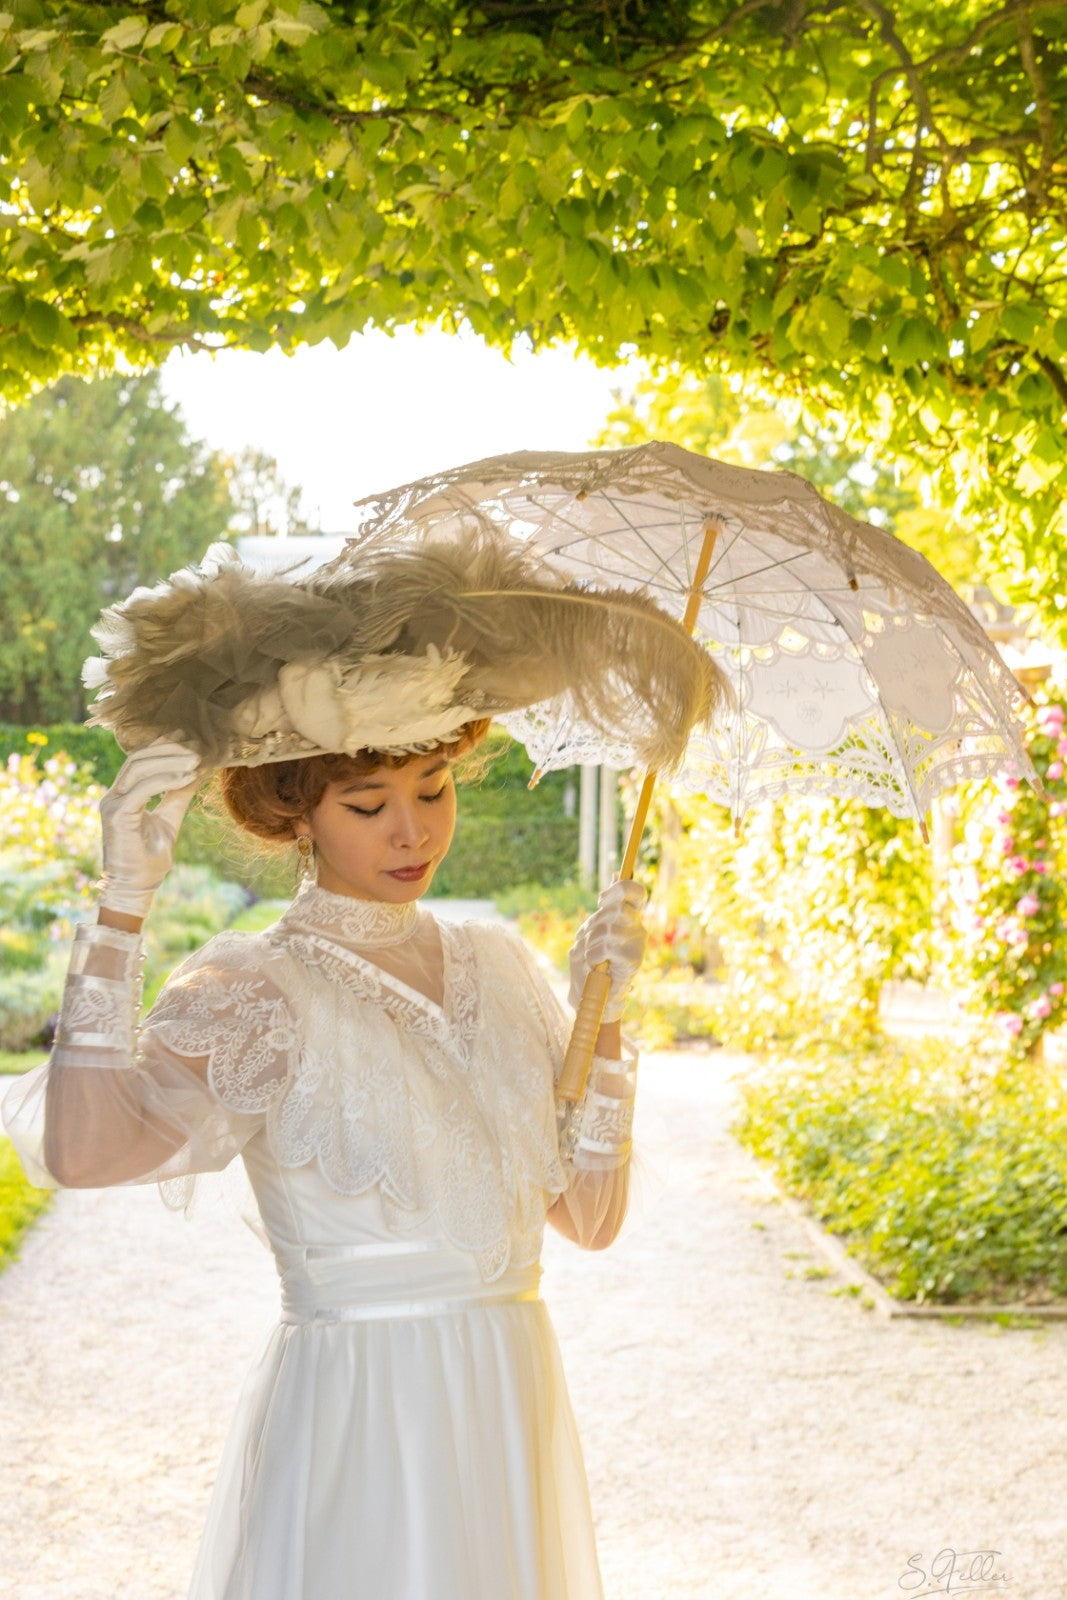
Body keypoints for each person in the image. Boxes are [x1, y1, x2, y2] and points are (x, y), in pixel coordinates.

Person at [2, 532, 724, 1600]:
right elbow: (84, 1147)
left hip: (509, 1403)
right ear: (294, 807)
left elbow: (589, 1214)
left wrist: (604, 1014)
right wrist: (121, 906)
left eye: (433, 788)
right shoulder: (256, 988)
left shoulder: (498, 963)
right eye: (367, 803)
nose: (412, 830)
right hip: (359, 1421)